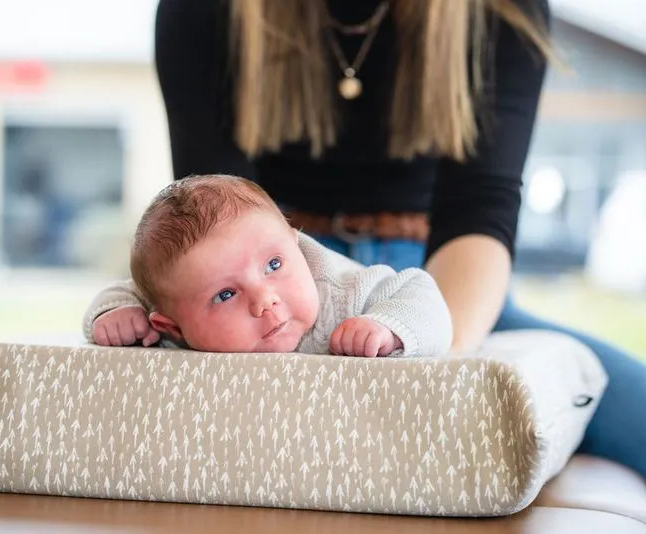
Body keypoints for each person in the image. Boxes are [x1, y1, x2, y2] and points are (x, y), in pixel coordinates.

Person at [145, 0, 646, 477]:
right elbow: (212, 218)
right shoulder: (205, 10)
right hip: (279, 272)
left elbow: (481, 208)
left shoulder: (499, 10)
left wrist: (424, 357)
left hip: (440, 279)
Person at [84, 174, 452, 357]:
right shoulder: (169, 309)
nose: (265, 301)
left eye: (274, 264)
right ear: (173, 327)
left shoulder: (345, 294)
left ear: (293, 242)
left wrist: (386, 329)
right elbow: (131, 293)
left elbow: (423, 297)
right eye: (225, 294)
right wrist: (117, 313)